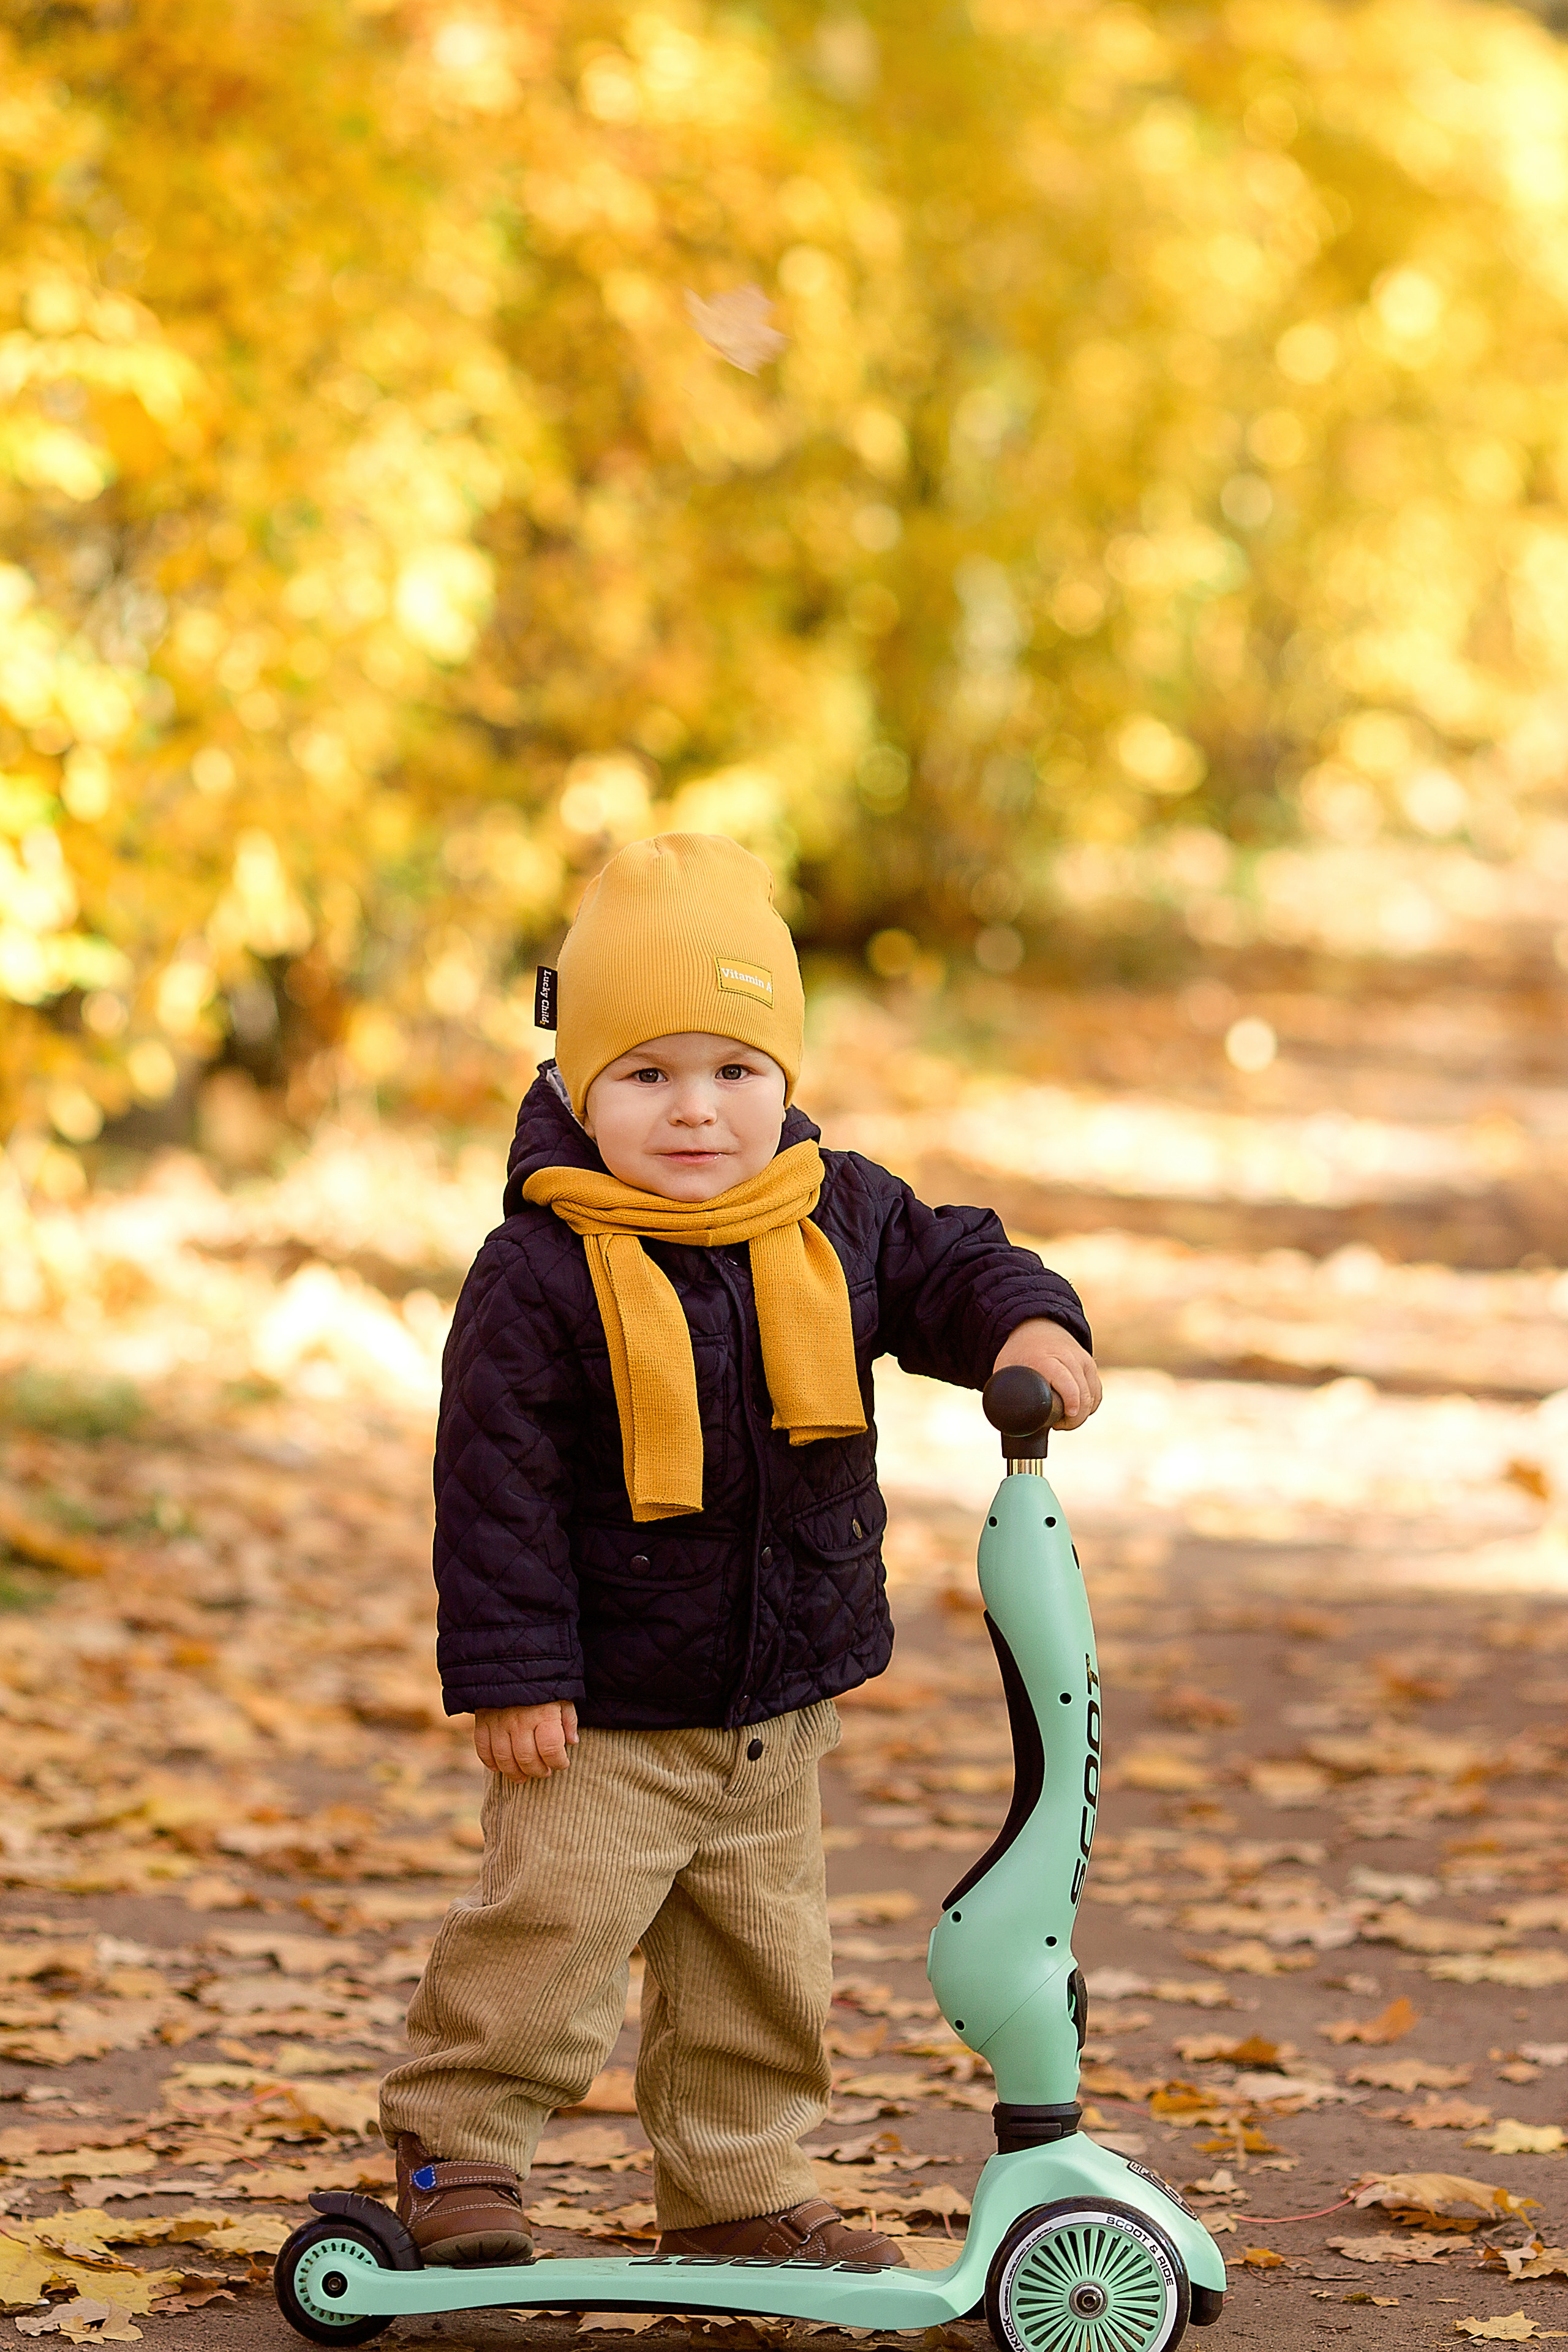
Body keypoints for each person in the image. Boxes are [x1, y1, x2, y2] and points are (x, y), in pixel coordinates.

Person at [379, 832, 1100, 2267]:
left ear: (783, 1077)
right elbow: (495, 1488)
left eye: (733, 1072)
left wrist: (1029, 1324)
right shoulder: (538, 1269)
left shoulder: (838, 1209)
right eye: (646, 1076)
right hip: (604, 1718)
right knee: (547, 1941)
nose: (696, 1113)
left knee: (762, 1969)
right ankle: (457, 2158)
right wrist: (515, 1673)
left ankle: (737, 2188)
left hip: (778, 1702)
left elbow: (955, 1262)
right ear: (580, 1087)